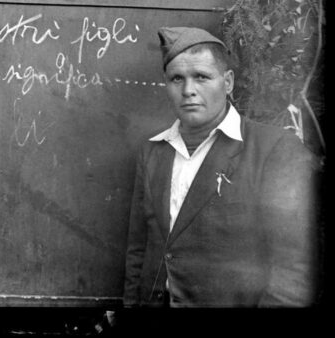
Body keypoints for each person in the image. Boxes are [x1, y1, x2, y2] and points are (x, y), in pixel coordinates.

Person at [123, 27, 318, 307]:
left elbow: (294, 270)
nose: (188, 90)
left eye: (201, 77)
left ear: (227, 82)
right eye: (176, 79)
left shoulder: (274, 150)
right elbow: (138, 252)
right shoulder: (153, 151)